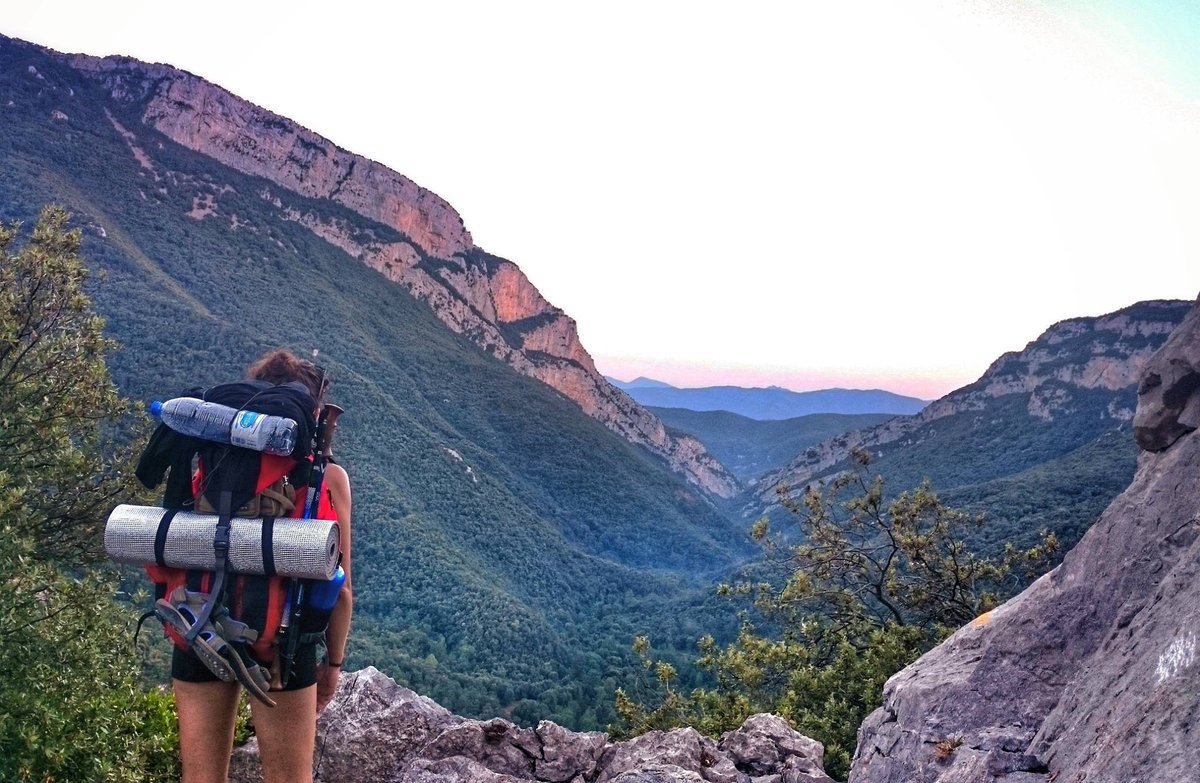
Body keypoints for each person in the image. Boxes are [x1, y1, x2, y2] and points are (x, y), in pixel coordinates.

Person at [171, 349, 353, 783]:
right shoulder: (327, 476)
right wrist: (333, 665)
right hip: (283, 646)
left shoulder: (213, 462)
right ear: (313, 412)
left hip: (198, 625)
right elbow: (340, 584)